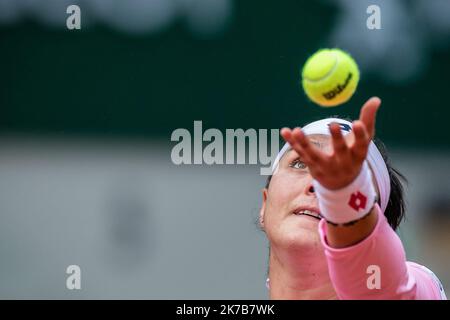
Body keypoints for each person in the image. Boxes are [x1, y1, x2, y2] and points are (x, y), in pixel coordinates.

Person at [259, 97, 447, 300]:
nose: (321, 183)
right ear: (265, 204)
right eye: (300, 163)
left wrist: (343, 197)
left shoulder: (419, 286)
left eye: (355, 177)